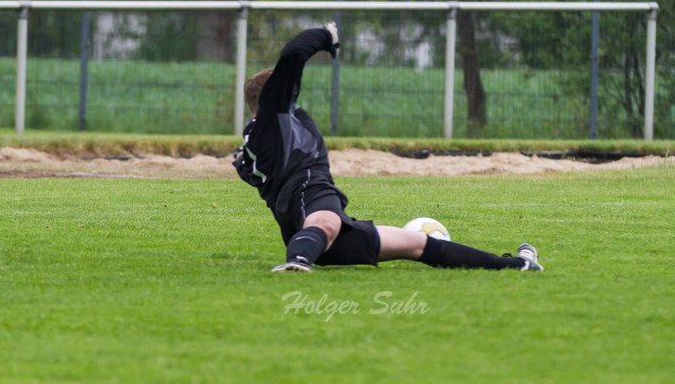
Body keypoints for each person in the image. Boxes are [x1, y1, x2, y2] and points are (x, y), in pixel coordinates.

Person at [232, 23, 543, 273]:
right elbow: (292, 54)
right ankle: (297, 263)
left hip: (309, 228)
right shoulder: (277, 115)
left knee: (418, 244)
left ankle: (518, 265)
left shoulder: (255, 138)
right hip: (311, 195)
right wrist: (327, 36)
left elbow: (252, 167)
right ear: (272, 96)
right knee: (325, 222)